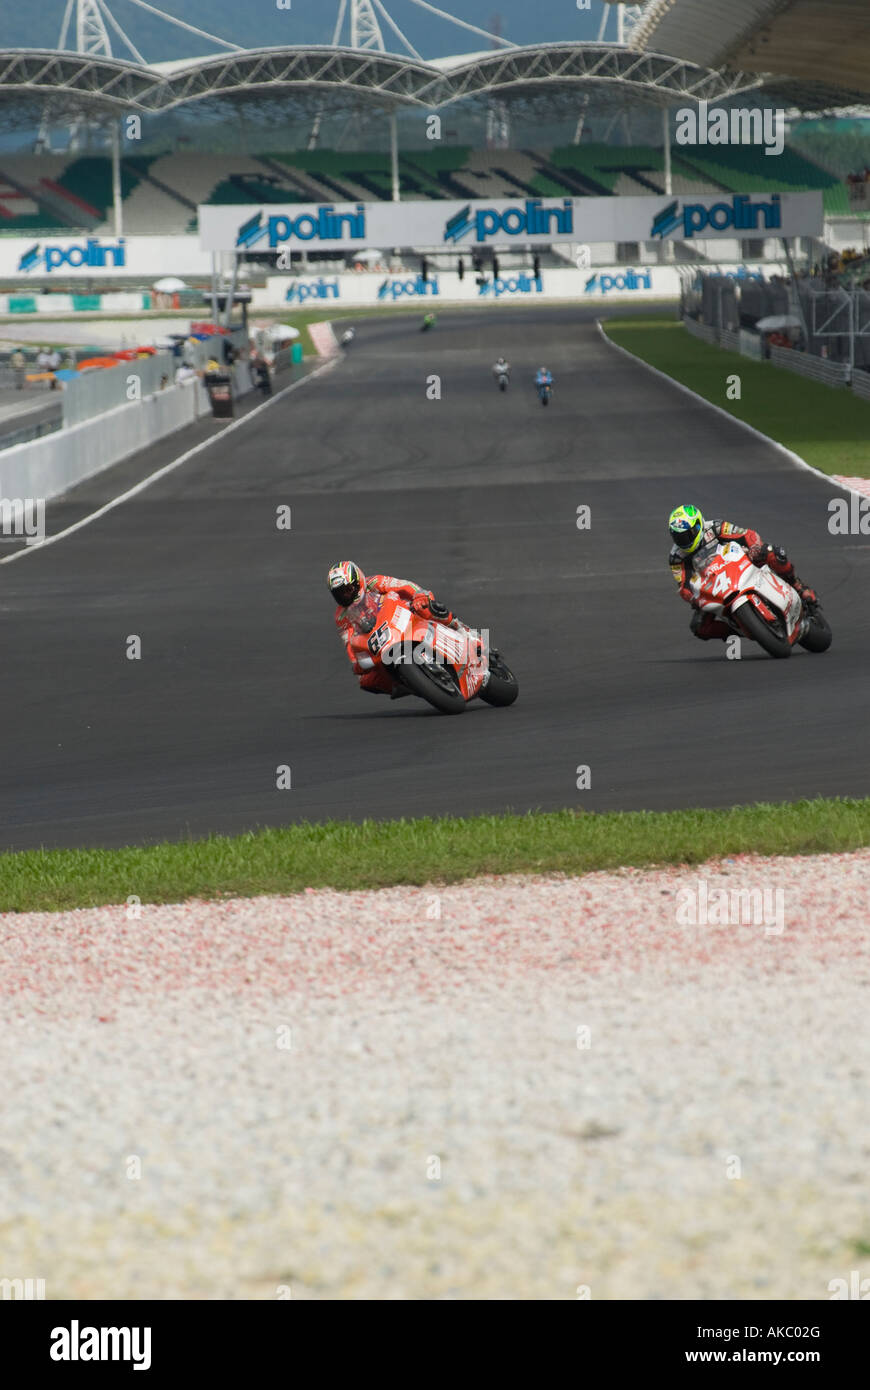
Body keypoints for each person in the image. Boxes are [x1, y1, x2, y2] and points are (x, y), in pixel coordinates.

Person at [667, 505, 817, 641]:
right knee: (699, 627)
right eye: (678, 537)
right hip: (714, 586)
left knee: (772, 553)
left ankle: (798, 586)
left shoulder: (715, 527)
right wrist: (691, 597)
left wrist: (755, 547)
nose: (683, 541)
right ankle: (740, 628)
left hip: (739, 562)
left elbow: (746, 535)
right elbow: (684, 584)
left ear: (698, 525)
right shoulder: (676, 557)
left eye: (687, 535)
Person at [328, 561, 458, 697]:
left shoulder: (374, 582)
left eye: (348, 590)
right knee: (366, 680)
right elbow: (350, 643)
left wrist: (419, 596)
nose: (345, 596)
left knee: (426, 608)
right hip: (380, 638)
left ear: (358, 582)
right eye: (339, 594)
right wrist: (357, 664)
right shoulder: (341, 616)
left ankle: (457, 625)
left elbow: (404, 586)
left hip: (404, 612)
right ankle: (407, 683)